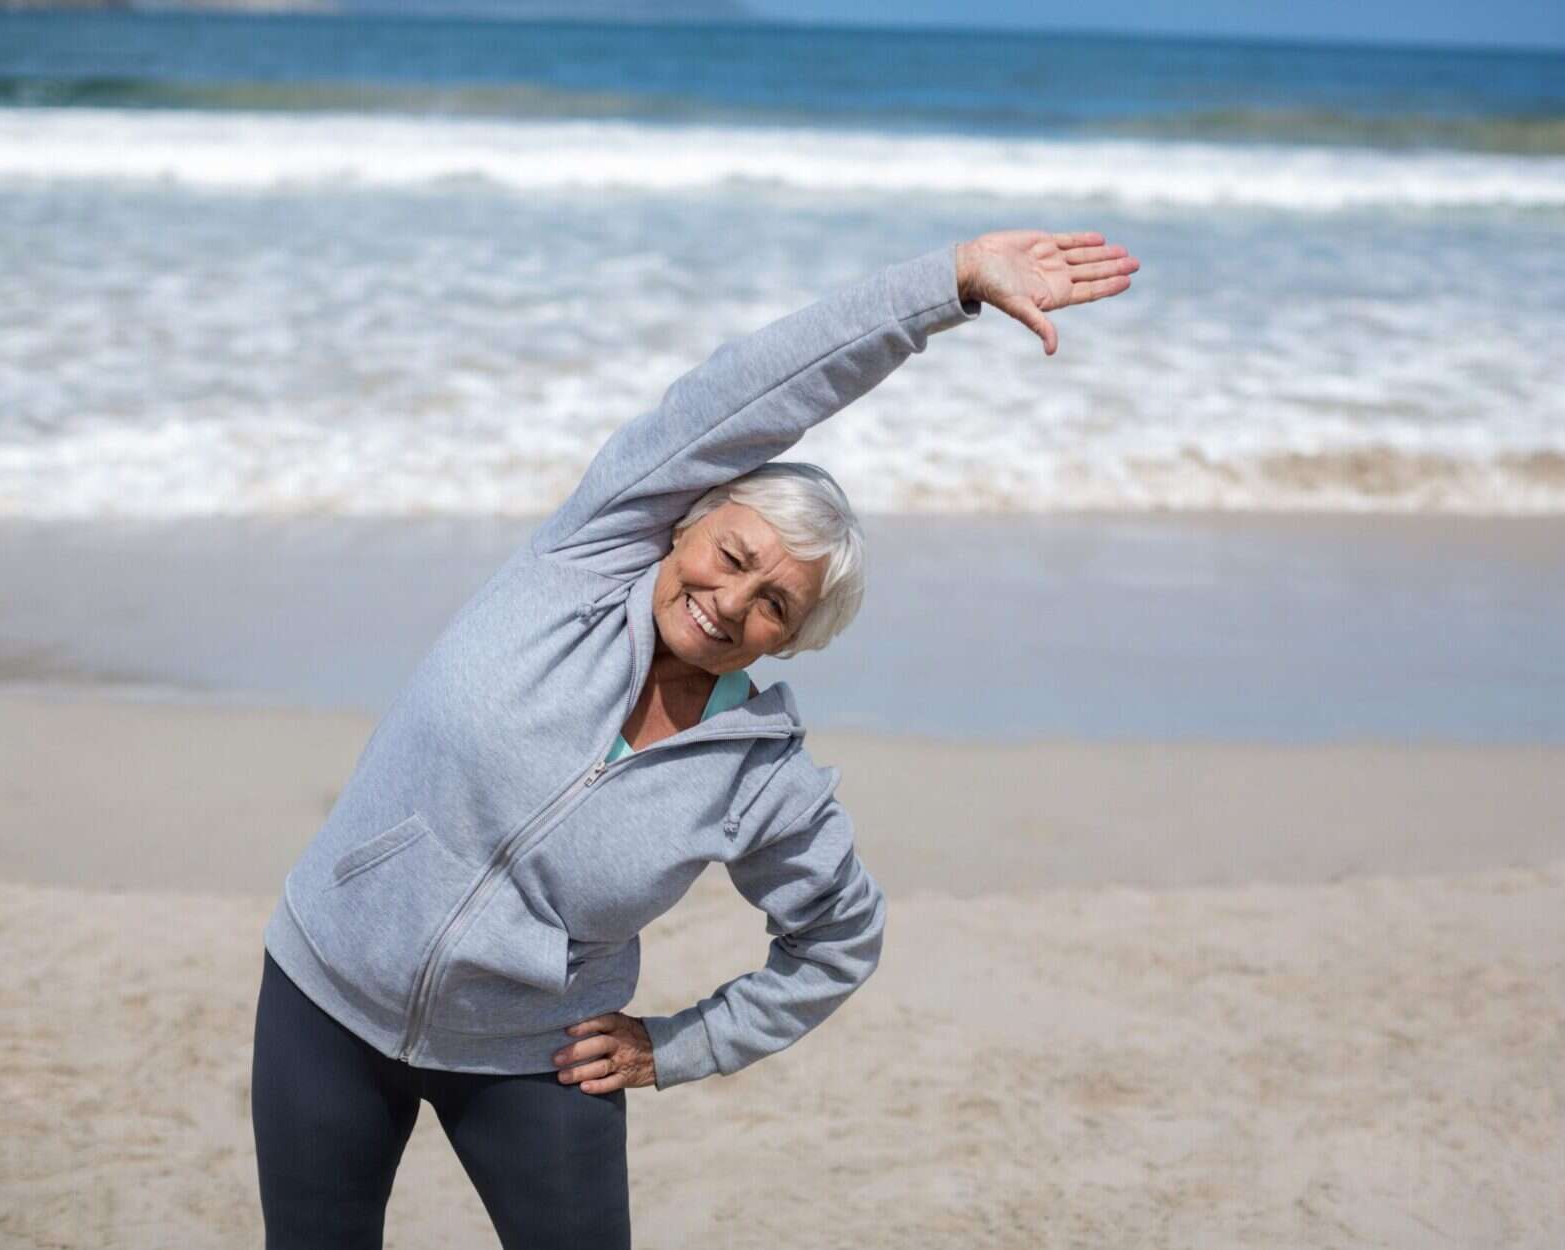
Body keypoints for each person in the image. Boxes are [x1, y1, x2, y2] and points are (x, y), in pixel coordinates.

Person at [249, 228, 1139, 1248]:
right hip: (324, 991)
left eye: (774, 604)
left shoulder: (760, 778)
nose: (728, 602)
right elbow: (759, 385)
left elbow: (837, 941)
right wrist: (946, 285)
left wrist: (679, 1044)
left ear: (795, 639)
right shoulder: (582, 560)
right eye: (732, 554)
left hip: (532, 1057)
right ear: (685, 520)